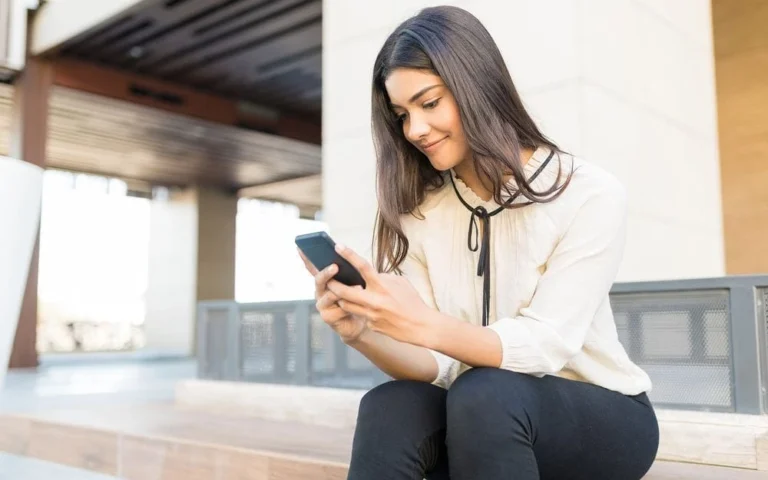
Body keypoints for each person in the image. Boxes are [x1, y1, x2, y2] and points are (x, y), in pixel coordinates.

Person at [298, 5, 659, 480]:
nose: (415, 130)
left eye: (429, 103)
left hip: (603, 417)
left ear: (476, 85)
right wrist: (363, 333)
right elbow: (438, 365)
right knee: (391, 405)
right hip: (484, 423)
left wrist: (420, 322)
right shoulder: (423, 211)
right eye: (402, 115)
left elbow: (547, 344)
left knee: (486, 393)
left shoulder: (588, 192)